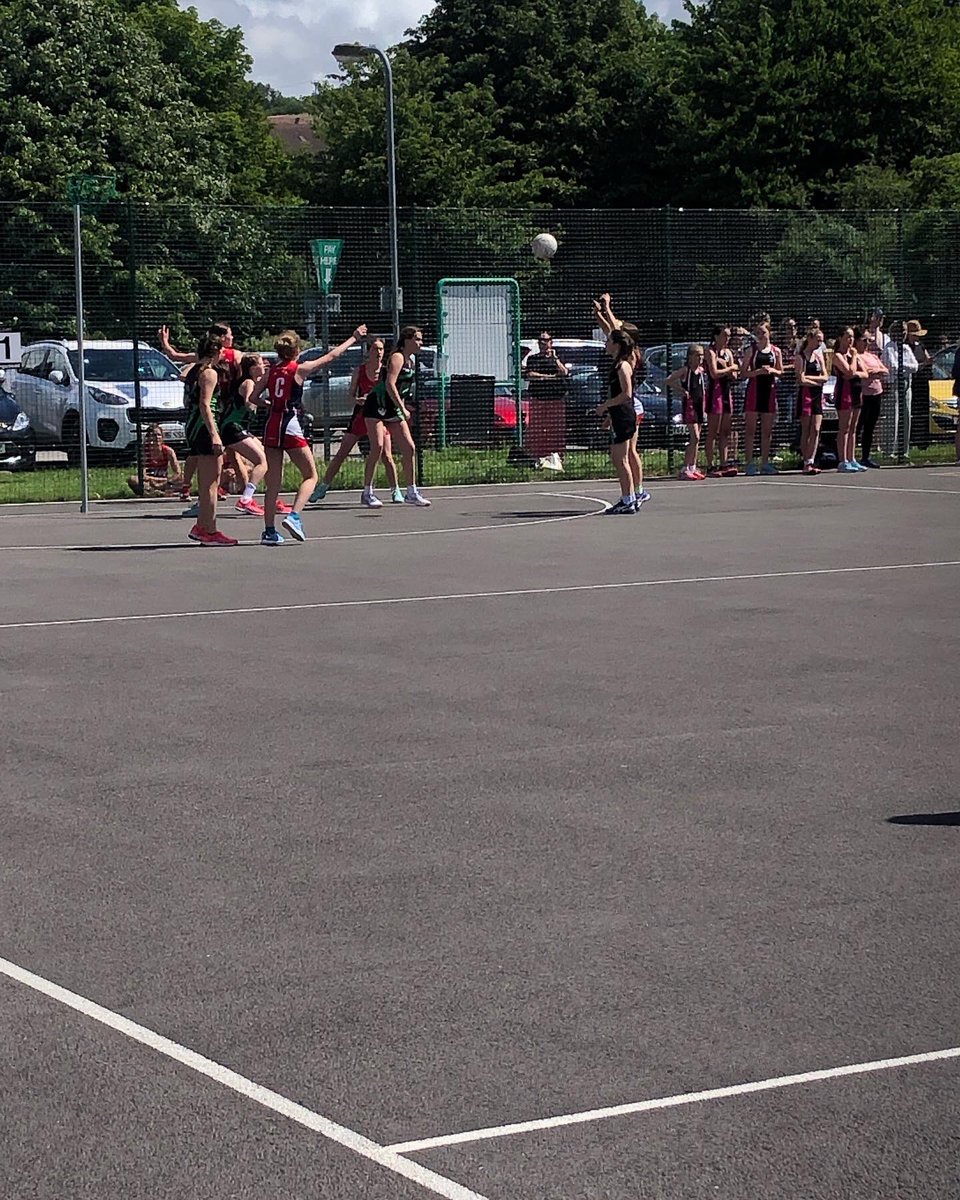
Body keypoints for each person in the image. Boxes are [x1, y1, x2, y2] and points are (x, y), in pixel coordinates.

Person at [255, 325, 366, 544]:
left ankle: (269, 531)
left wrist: (270, 404)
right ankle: (294, 516)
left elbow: (252, 398)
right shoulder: (299, 369)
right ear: (296, 351)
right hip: (290, 424)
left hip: (272, 425)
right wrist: (353, 337)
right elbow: (331, 356)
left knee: (273, 484)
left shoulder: (271, 372)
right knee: (311, 475)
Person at [309, 337, 403, 504]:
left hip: (379, 415)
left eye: (381, 349)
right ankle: (323, 487)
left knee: (386, 455)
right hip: (361, 415)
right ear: (368, 352)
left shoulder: (386, 372)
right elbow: (351, 395)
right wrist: (358, 399)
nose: (379, 353)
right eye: (375, 349)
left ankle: (395, 490)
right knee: (341, 453)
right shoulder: (360, 371)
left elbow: (390, 391)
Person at [361, 326, 431, 508]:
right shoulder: (397, 357)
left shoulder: (411, 361)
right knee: (377, 447)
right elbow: (390, 384)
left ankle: (412, 492)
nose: (420, 343)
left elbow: (402, 389)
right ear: (407, 340)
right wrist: (403, 408)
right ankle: (367, 492)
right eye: (417, 339)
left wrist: (402, 407)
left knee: (409, 447)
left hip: (393, 407)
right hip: (377, 404)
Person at [182, 333, 237, 546]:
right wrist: (214, 434)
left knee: (207, 483)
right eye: (221, 350)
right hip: (204, 428)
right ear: (214, 352)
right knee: (212, 483)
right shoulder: (209, 373)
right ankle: (210, 530)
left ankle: (200, 526)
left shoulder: (193, 371)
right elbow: (205, 404)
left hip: (194, 427)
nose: (224, 353)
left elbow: (190, 400)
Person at [217, 353, 271, 515]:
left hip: (239, 427)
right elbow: (249, 402)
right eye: (261, 363)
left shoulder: (254, 382)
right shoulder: (248, 383)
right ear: (253, 368)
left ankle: (270, 498)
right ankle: (246, 499)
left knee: (266, 457)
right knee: (262, 461)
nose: (265, 365)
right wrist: (266, 404)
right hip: (232, 428)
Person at [594, 328, 638, 513]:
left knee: (620, 459)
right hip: (618, 415)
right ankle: (629, 497)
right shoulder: (616, 364)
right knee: (619, 458)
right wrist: (609, 417)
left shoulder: (623, 366)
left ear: (617, 344)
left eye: (609, 340)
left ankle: (628, 500)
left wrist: (606, 406)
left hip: (625, 415)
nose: (606, 344)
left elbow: (626, 394)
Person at [523, 330, 570, 471]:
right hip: (538, 398)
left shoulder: (558, 357)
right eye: (541, 341)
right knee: (537, 428)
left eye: (546, 340)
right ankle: (537, 456)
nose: (544, 343)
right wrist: (549, 377)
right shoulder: (533, 359)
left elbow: (564, 373)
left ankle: (557, 456)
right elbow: (531, 374)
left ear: (551, 342)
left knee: (555, 429)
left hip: (556, 398)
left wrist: (555, 359)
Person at [741, 321, 783, 475]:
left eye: (763, 332)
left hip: (769, 392)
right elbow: (743, 373)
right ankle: (750, 463)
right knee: (751, 430)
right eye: (758, 333)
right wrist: (758, 372)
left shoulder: (775, 351)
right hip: (754, 391)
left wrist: (771, 370)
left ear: (769, 333)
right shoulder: (751, 351)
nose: (760, 336)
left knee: (767, 430)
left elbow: (780, 371)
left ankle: (765, 462)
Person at [665, 345, 707, 480]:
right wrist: (681, 390)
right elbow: (668, 380)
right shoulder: (685, 371)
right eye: (697, 355)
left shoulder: (701, 371)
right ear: (690, 357)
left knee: (697, 439)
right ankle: (685, 467)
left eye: (701, 355)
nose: (700, 358)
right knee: (695, 437)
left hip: (700, 405)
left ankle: (692, 466)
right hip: (690, 406)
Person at [832, 327, 869, 472]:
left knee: (853, 428)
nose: (851, 340)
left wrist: (854, 373)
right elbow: (849, 371)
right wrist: (853, 358)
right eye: (848, 337)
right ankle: (843, 460)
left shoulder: (854, 355)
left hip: (856, 391)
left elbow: (865, 373)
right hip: (844, 393)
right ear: (840, 338)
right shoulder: (838, 356)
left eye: (852, 337)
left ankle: (851, 457)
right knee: (844, 428)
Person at [704, 325, 739, 476]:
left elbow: (735, 375)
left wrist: (730, 369)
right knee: (713, 431)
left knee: (725, 430)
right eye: (725, 335)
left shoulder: (728, 353)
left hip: (726, 392)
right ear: (716, 336)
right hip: (715, 392)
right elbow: (714, 373)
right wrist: (728, 368)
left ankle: (724, 463)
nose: (727, 339)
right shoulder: (710, 351)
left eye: (729, 336)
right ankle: (710, 464)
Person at [881, 322, 920, 459]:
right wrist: (904, 367)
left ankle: (904, 451)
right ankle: (889, 450)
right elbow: (893, 366)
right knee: (893, 417)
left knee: (906, 416)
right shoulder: (889, 347)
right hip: (893, 384)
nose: (903, 334)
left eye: (905, 331)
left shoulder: (906, 348)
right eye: (901, 331)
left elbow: (915, 366)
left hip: (907, 384)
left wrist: (903, 367)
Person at [794, 327, 828, 475]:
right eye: (818, 339)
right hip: (806, 395)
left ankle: (811, 460)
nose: (820, 343)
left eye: (821, 340)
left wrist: (811, 379)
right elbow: (801, 379)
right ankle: (805, 461)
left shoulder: (819, 357)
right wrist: (816, 382)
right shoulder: (801, 357)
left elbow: (825, 377)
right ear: (810, 338)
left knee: (816, 429)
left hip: (817, 396)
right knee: (806, 430)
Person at [853, 328, 889, 468]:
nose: (867, 343)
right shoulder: (855, 356)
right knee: (857, 427)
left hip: (876, 394)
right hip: (862, 395)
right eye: (864, 340)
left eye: (869, 340)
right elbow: (862, 372)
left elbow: (885, 370)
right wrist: (871, 372)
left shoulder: (872, 356)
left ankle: (865, 457)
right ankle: (850, 457)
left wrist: (875, 371)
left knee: (870, 427)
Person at [127, 424, 182, 496]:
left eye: (159, 435)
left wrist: (164, 482)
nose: (156, 437)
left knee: (184, 479)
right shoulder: (145, 451)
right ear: (149, 438)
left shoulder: (168, 451)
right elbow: (142, 475)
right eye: (153, 435)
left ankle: (156, 493)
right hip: (150, 482)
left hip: (165, 481)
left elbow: (178, 472)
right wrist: (154, 481)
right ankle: (159, 493)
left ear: (162, 437)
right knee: (133, 480)